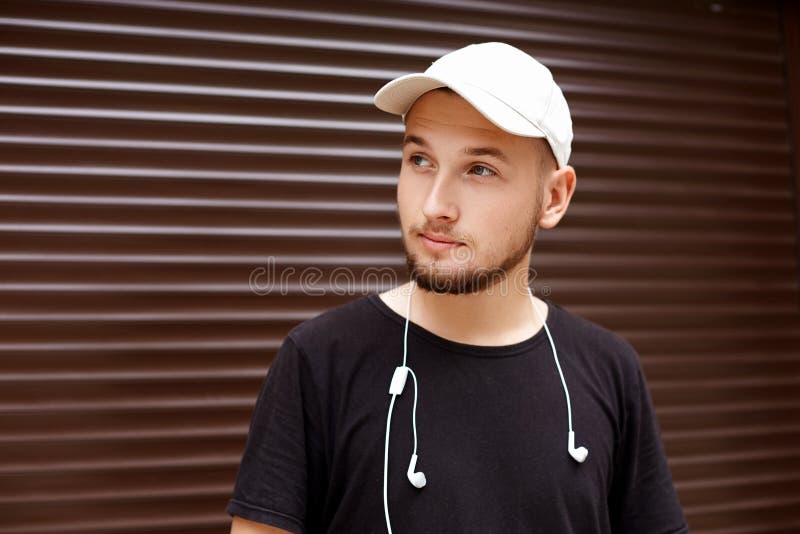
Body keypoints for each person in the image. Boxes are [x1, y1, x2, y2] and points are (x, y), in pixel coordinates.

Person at [227, 42, 689, 534]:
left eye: (480, 170)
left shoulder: (609, 370)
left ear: (554, 197)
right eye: (420, 160)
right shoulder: (319, 361)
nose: (433, 205)